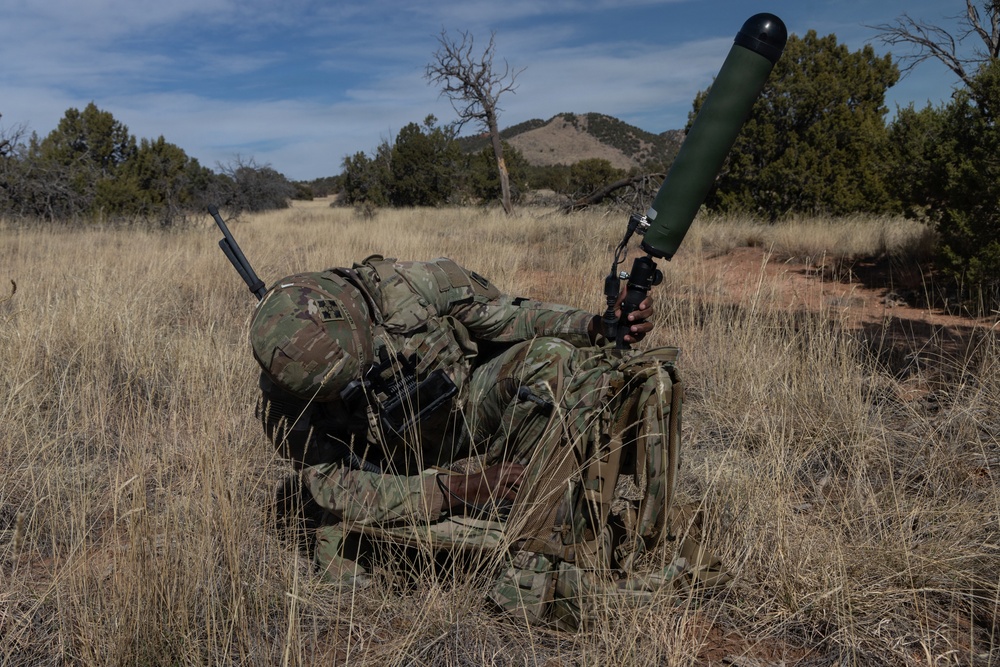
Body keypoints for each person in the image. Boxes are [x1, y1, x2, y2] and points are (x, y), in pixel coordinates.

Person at [250, 254, 699, 629]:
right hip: (383, 462)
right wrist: (455, 489)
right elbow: (332, 484)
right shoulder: (283, 392)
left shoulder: (415, 286)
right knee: (340, 571)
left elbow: (512, 316)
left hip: (462, 415)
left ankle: (535, 543)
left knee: (552, 359)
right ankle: (483, 514)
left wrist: (598, 326)